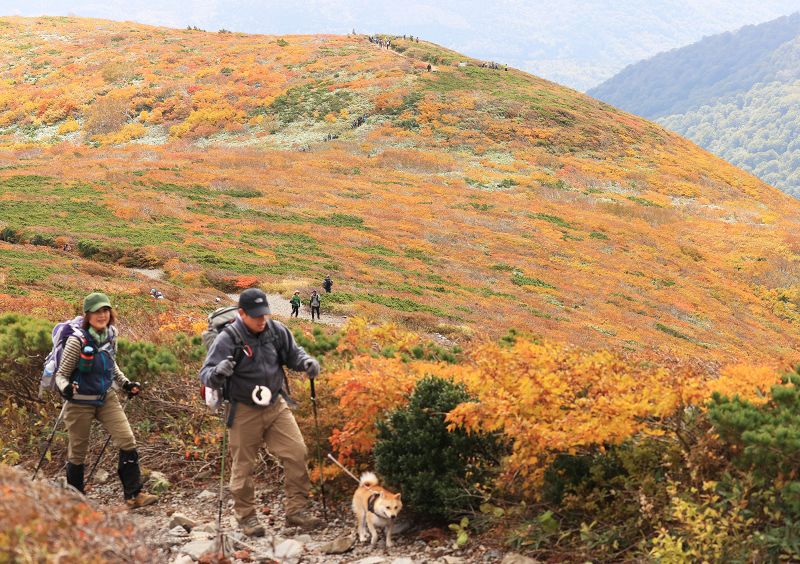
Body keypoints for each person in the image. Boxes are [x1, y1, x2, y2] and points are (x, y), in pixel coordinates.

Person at [199, 288, 323, 537]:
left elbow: (293, 354)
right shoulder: (228, 338)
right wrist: (219, 371)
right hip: (243, 408)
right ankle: (246, 518)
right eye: (255, 315)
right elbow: (206, 374)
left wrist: (307, 362)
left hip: (276, 405)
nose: (261, 320)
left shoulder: (277, 331)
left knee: (297, 452)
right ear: (242, 313)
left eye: (264, 314)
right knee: (244, 466)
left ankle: (296, 511)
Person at [54, 292, 157, 509]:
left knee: (127, 440)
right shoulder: (77, 341)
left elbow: (112, 364)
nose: (102, 315)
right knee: (78, 452)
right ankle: (76, 502)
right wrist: (66, 390)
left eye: (105, 310)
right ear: (87, 315)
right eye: (97, 311)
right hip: (79, 402)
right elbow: (61, 374)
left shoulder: (112, 334)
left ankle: (133, 495)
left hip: (106, 397)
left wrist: (126, 383)